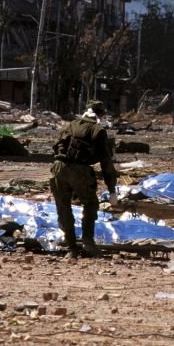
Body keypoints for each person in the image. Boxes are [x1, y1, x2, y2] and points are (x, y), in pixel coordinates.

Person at [50, 100, 119, 257]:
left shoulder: (71, 125)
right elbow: (106, 162)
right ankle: (88, 242)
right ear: (101, 115)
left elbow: (57, 146)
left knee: (63, 207)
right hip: (79, 170)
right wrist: (112, 189)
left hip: (58, 168)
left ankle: (71, 248)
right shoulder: (98, 130)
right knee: (90, 204)